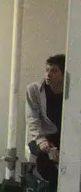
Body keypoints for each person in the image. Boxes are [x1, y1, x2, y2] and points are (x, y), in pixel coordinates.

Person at [26, 53, 65, 184]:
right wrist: (41, 140)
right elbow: (32, 119)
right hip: (43, 136)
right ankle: (58, 189)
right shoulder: (35, 90)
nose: (48, 74)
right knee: (43, 158)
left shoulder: (72, 92)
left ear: (63, 74)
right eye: (47, 70)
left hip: (64, 137)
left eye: (54, 71)